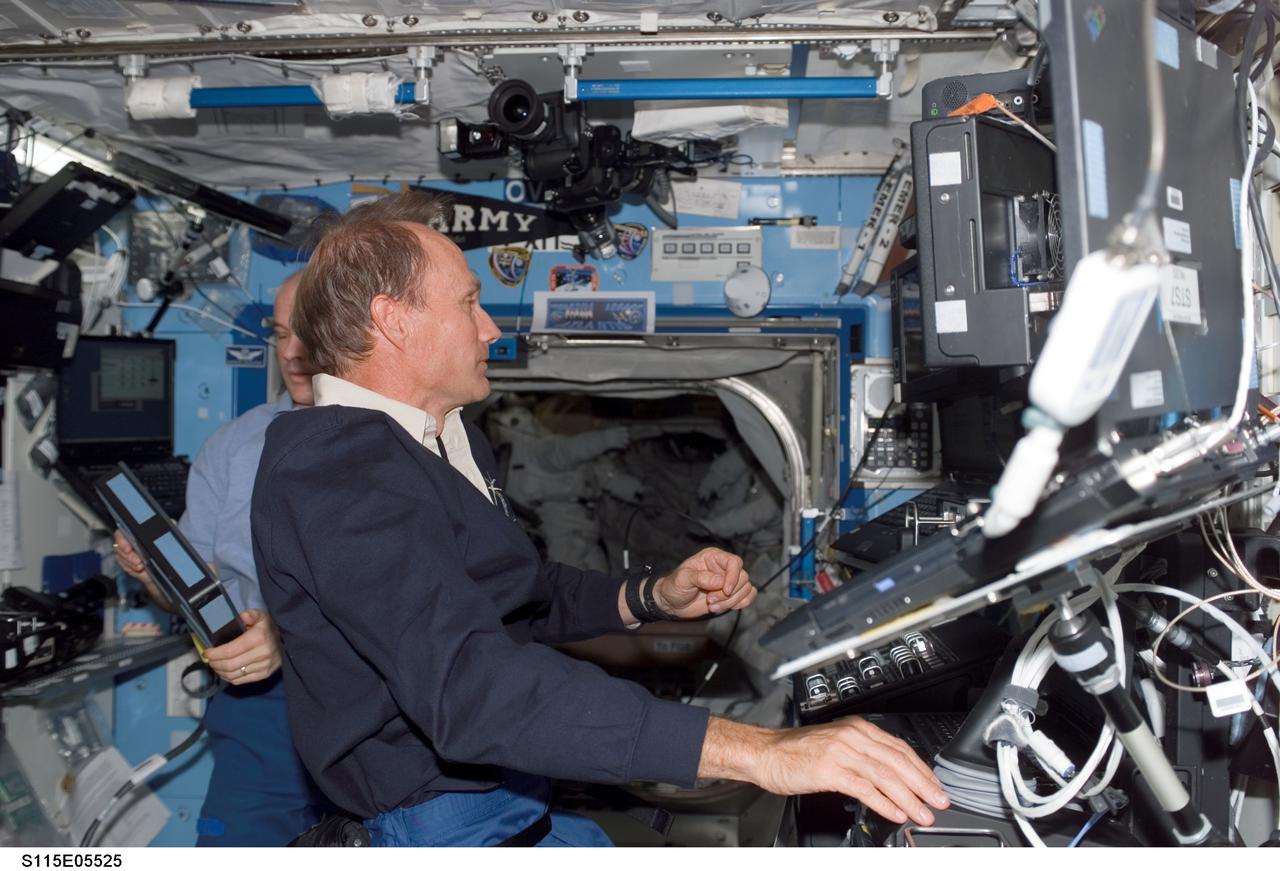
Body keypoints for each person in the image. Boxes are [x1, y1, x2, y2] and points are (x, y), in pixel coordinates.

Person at [251, 191, 950, 847]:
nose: (490, 326)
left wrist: (651, 594)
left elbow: (522, 593)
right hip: (436, 823)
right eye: (468, 304)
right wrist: (761, 750)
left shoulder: (441, 441)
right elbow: (472, 686)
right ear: (393, 319)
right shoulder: (337, 468)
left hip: (513, 800)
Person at [113, 272, 326, 846]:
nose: (289, 352)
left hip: (377, 707)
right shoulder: (232, 446)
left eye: (305, 332)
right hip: (261, 713)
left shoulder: (407, 442)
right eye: (279, 333)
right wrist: (151, 572)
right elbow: (191, 593)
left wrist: (289, 633)